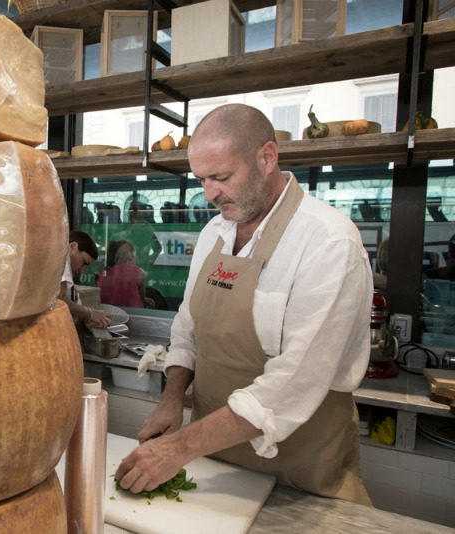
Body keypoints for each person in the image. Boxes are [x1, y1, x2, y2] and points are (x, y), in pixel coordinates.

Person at [114, 104, 374, 505]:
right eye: (202, 179)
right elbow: (189, 327)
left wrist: (178, 448)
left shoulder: (328, 241)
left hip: (297, 467)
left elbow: (295, 380)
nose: (209, 193)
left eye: (221, 177)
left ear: (267, 157)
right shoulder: (214, 233)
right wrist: (172, 397)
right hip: (214, 457)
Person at [59, 230, 112, 327]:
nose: (82, 270)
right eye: (84, 262)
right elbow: (60, 300)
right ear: (72, 246)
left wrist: (90, 316)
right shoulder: (62, 259)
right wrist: (90, 314)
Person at [97, 240, 150, 308]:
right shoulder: (139, 273)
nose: (136, 259)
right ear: (130, 255)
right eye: (135, 255)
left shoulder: (102, 273)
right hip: (132, 315)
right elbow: (141, 298)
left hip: (107, 314)